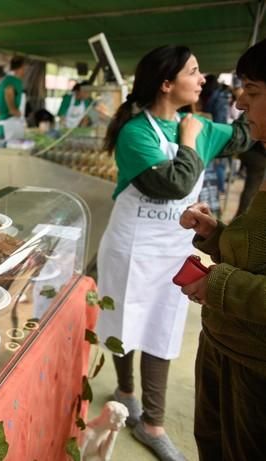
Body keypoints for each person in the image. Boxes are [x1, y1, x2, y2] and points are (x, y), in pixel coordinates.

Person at [95, 45, 250, 461]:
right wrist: (188, 140)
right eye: (195, 72)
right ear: (167, 84)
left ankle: (153, 423)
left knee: (162, 327)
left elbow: (245, 135)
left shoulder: (198, 125)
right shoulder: (136, 133)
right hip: (133, 246)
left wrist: (244, 100)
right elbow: (176, 185)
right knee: (122, 319)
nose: (203, 80)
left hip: (174, 248)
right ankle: (125, 390)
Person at [179, 38, 266, 461]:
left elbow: (178, 180)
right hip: (228, 349)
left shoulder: (199, 128)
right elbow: (259, 250)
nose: (239, 101)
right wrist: (217, 235)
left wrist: (218, 283)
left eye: (252, 91)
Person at [0, 56, 26, 139]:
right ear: (20, 68)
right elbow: (8, 91)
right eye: (24, 67)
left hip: (2, 129)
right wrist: (13, 110)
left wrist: (1, 116)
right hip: (9, 131)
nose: (25, 70)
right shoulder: (13, 81)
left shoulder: (4, 82)